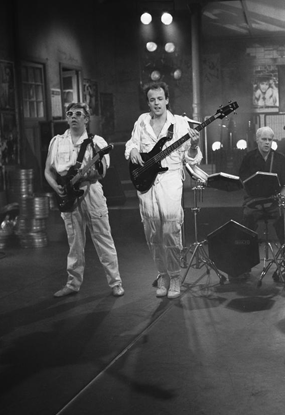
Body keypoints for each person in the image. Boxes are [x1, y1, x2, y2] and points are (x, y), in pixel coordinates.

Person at [125, 81, 202, 299]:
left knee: (170, 229)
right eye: (152, 100)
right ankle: (162, 275)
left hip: (170, 179)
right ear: (148, 102)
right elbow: (132, 143)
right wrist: (133, 150)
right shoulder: (142, 121)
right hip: (146, 180)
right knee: (152, 231)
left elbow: (192, 159)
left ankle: (175, 276)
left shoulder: (180, 124)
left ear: (167, 99)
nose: (156, 103)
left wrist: (194, 145)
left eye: (160, 98)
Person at [44, 102, 124, 298]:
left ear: (86, 119)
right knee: (74, 243)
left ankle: (116, 283)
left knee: (103, 239)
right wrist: (56, 188)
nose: (73, 117)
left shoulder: (97, 142)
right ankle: (73, 283)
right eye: (70, 114)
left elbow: (102, 172)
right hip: (68, 196)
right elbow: (48, 170)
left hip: (91, 192)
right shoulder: (57, 142)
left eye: (78, 114)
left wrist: (88, 174)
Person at [239, 126, 285, 247]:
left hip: (274, 201)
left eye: (270, 139)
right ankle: (246, 252)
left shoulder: (280, 158)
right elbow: (243, 182)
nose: (267, 142)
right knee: (247, 217)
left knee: (284, 216)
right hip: (254, 201)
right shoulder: (248, 158)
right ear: (257, 140)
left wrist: (281, 196)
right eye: (264, 139)